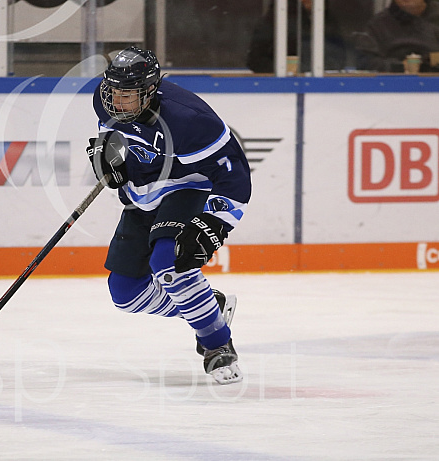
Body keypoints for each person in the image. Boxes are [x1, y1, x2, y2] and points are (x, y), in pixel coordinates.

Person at [87, 46, 252, 384]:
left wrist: (214, 222)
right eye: (114, 91)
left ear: (149, 92)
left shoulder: (191, 121)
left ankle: (217, 345)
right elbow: (117, 137)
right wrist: (111, 158)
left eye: (128, 95)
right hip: (143, 196)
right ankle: (210, 310)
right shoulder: (104, 100)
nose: (117, 101)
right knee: (125, 294)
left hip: (186, 187)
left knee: (169, 263)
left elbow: (235, 175)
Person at [247, 0, 348, 73]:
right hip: (279, 88)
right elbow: (255, 60)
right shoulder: (275, 19)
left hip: (322, 87)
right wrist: (286, 70)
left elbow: (339, 57)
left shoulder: (327, 19)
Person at [356, 0, 439, 72]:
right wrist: (400, 67)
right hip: (393, 85)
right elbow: (366, 62)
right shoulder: (377, 25)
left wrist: (430, 61)